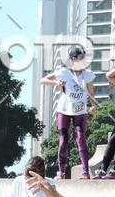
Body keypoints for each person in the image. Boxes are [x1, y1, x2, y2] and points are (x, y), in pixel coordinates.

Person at [40, 45, 97, 180]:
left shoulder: (87, 75)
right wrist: (56, 83)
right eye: (80, 58)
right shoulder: (63, 72)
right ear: (72, 59)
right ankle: (62, 172)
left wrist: (93, 105)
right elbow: (43, 80)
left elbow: (91, 92)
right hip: (64, 110)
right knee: (63, 140)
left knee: (81, 139)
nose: (83, 61)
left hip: (80, 111)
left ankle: (85, 172)